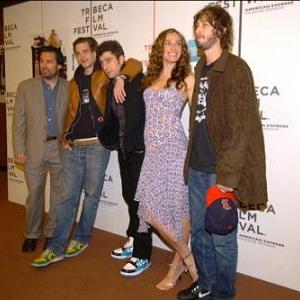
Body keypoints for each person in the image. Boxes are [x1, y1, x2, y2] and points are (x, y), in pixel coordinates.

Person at [178, 5, 268, 300]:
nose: (199, 30)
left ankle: (223, 294)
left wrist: (228, 177)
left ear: (222, 30)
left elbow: (241, 129)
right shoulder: (200, 68)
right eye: (198, 25)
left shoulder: (236, 68)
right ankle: (205, 284)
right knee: (200, 236)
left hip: (220, 171)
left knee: (222, 239)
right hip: (196, 167)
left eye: (206, 25)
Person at [31, 37, 142, 267]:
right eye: (77, 53)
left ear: (94, 53)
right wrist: (65, 135)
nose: (82, 56)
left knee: (91, 196)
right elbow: (71, 113)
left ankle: (82, 237)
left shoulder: (107, 73)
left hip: (96, 146)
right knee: (66, 198)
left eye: (85, 51)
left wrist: (121, 77)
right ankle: (56, 247)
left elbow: (134, 63)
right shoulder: (73, 82)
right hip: (73, 147)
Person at [135, 28, 198, 290]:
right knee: (150, 211)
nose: (173, 47)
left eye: (178, 44)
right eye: (168, 43)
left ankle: (176, 265)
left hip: (175, 149)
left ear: (182, 50)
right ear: (160, 47)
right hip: (153, 152)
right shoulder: (148, 77)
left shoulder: (188, 78)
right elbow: (126, 65)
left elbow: (197, 118)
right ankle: (187, 256)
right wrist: (119, 79)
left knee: (180, 208)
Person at [97, 40, 153, 277]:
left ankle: (143, 255)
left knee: (140, 202)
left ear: (121, 59)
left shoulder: (136, 78)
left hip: (140, 150)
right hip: (123, 150)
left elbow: (137, 65)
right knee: (129, 197)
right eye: (102, 63)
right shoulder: (111, 85)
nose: (106, 66)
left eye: (109, 60)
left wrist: (123, 77)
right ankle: (133, 239)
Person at [13, 46, 68, 252]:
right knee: (34, 193)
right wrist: (19, 149)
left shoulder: (68, 87)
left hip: (59, 148)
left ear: (59, 65)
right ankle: (32, 234)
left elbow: (71, 118)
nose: (44, 65)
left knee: (58, 194)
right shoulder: (25, 87)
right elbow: (18, 122)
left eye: (49, 61)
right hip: (34, 148)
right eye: (41, 61)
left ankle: (52, 233)